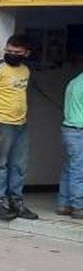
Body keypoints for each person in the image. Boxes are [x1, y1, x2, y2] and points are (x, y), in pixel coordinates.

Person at [0, 34, 35, 221]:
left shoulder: (25, 70)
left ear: (26, 53)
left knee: (19, 164)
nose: (11, 54)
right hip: (0, 122)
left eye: (17, 52)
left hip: (20, 123)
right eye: (9, 51)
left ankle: (16, 202)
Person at [59, 68, 83, 220]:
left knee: (70, 168)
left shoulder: (75, 81)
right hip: (79, 130)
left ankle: (64, 204)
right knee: (79, 170)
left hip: (68, 129)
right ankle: (78, 206)